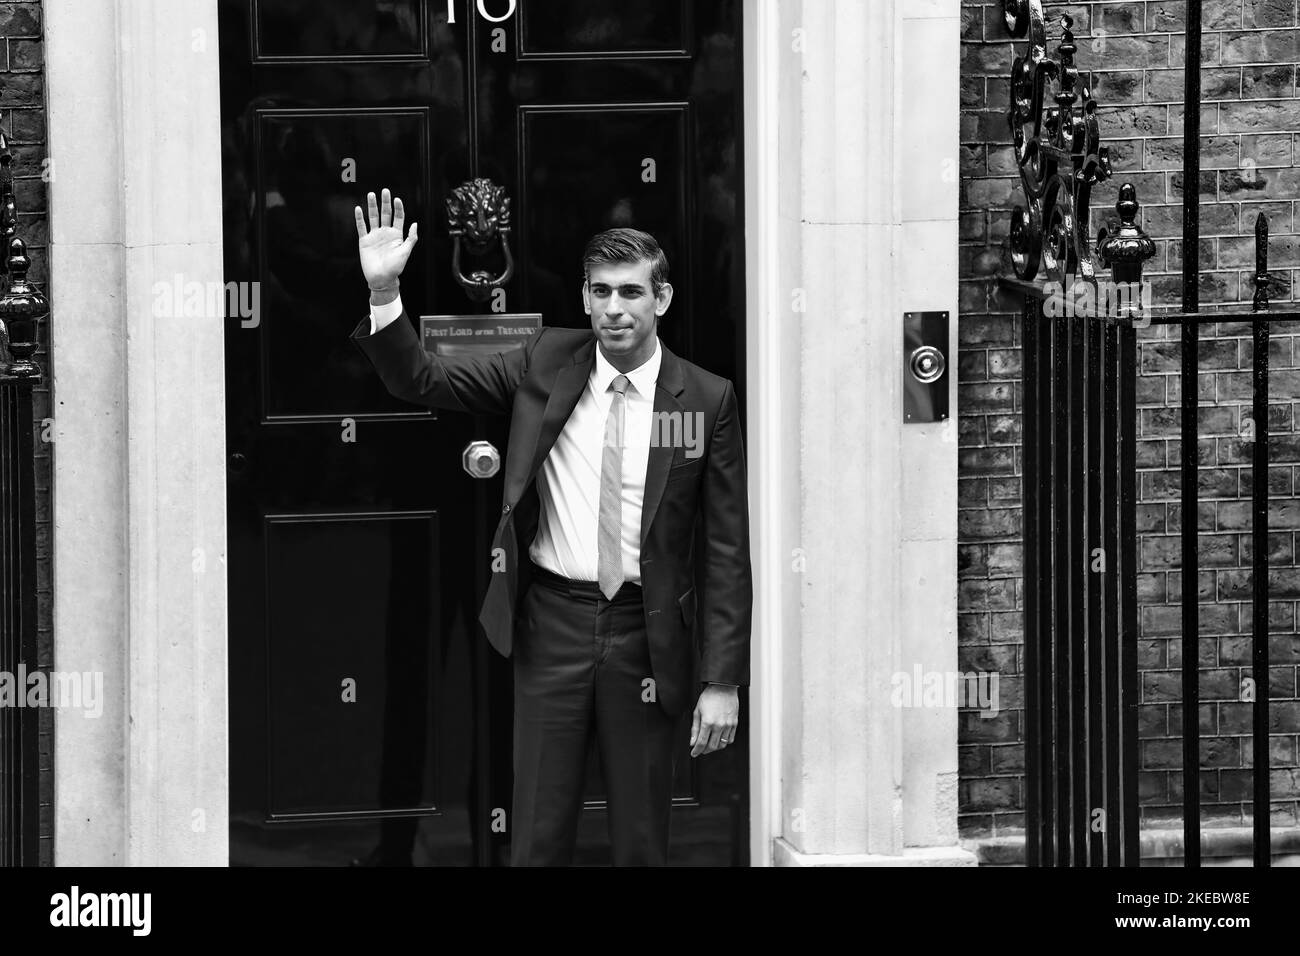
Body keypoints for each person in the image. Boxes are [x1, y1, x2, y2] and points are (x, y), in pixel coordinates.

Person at [350, 188, 752, 865]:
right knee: (536, 830)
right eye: (601, 292)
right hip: (553, 626)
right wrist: (385, 291)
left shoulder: (706, 399)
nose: (614, 308)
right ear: (586, 298)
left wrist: (722, 681)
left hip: (648, 638)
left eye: (631, 292)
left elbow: (726, 547)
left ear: (663, 299)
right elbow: (420, 379)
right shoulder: (544, 363)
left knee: (641, 841)